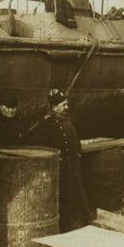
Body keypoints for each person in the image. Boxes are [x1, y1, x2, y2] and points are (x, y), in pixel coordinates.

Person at [30, 89, 93, 232]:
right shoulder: (46, 123)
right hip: (60, 165)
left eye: (66, 104)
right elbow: (37, 144)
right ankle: (65, 225)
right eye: (63, 105)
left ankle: (85, 217)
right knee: (63, 194)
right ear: (54, 107)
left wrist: (78, 152)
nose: (66, 107)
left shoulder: (67, 119)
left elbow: (74, 138)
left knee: (78, 189)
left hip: (72, 163)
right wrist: (51, 157)